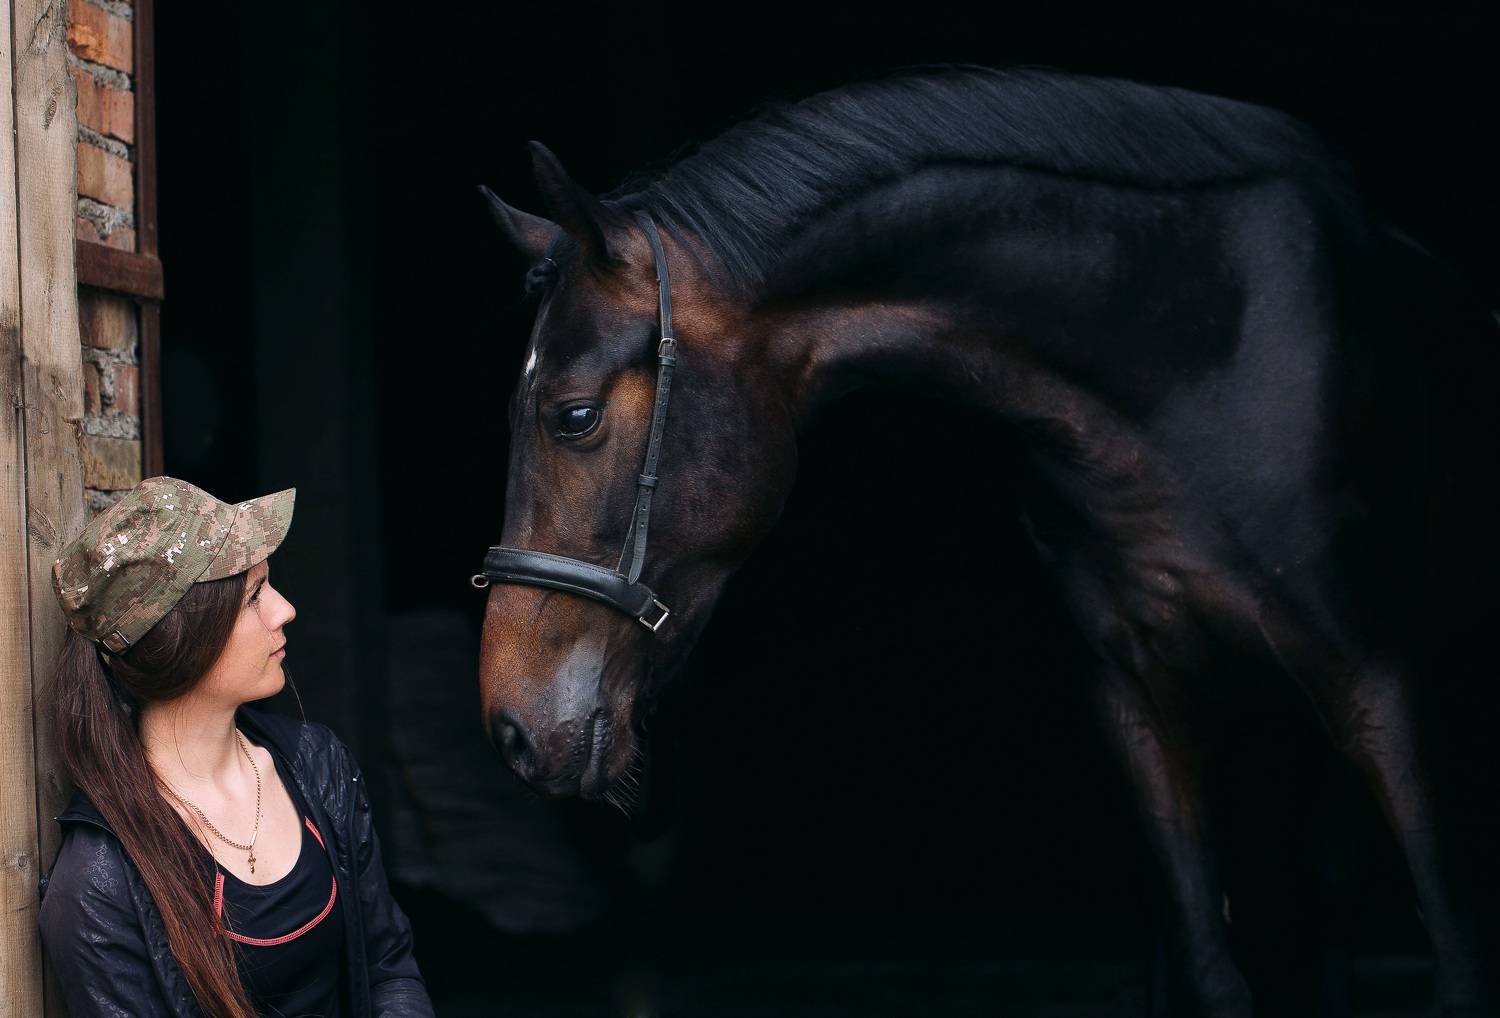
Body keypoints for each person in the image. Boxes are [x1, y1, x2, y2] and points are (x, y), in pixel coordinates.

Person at [39, 476, 433, 1018]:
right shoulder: (99, 883)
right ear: (181, 636)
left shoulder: (318, 765)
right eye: (254, 595)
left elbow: (388, 967)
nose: (284, 609)